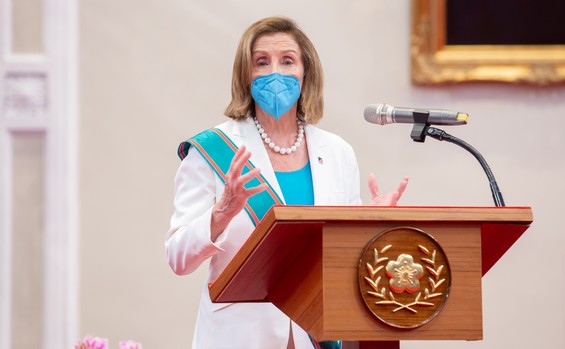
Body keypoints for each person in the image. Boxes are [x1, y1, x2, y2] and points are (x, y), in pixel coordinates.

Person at [165, 16, 408, 349]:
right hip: (239, 337)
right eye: (261, 63)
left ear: (305, 75)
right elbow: (178, 258)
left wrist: (374, 225)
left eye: (287, 61)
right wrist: (221, 212)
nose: (274, 72)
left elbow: (346, 257)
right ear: (245, 77)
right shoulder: (212, 151)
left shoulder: (337, 152)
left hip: (317, 334)